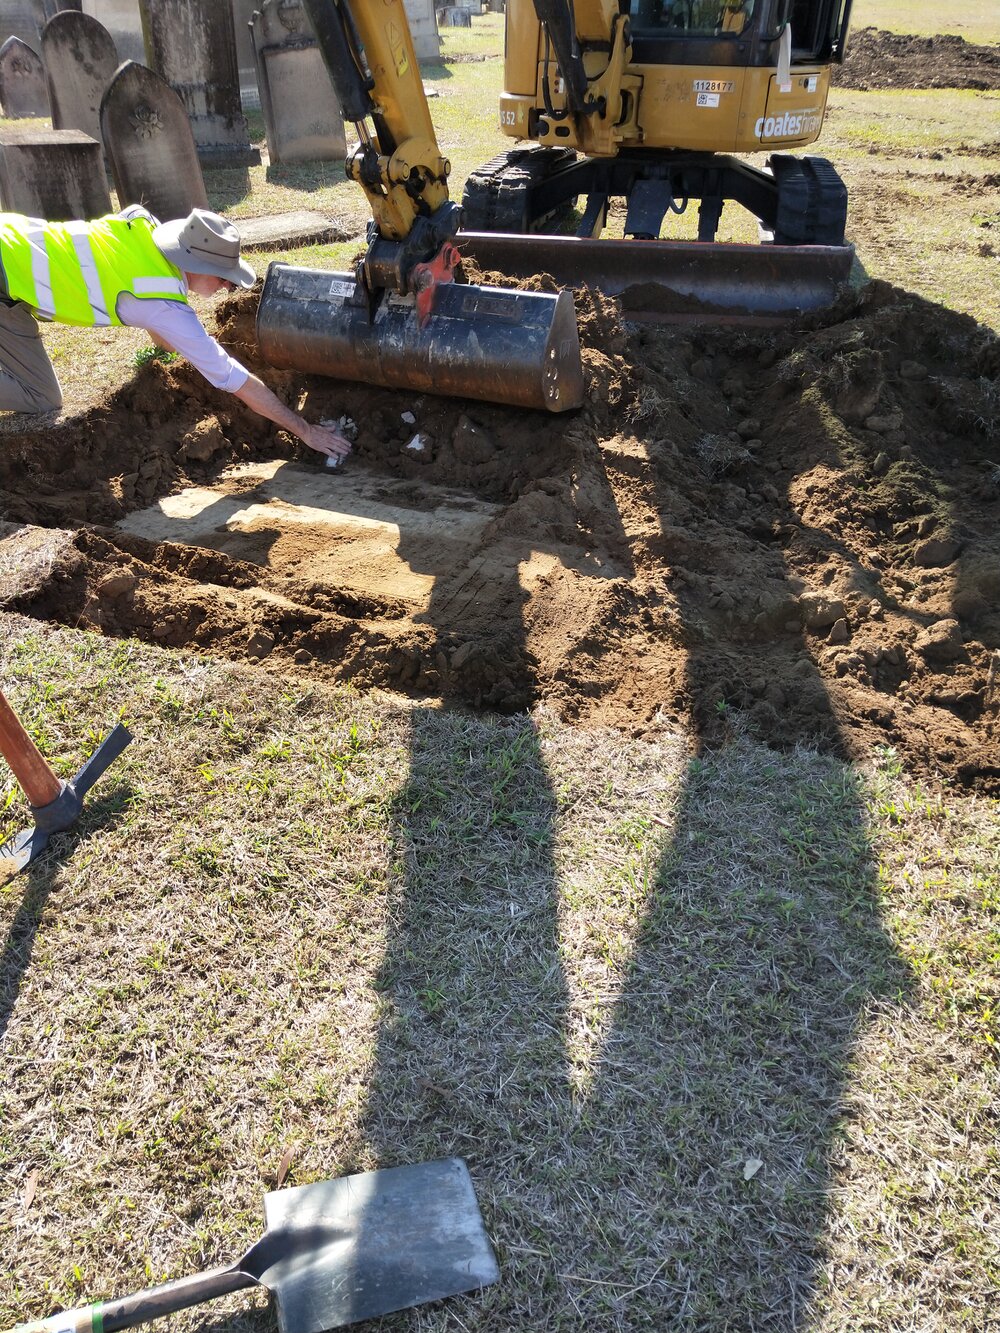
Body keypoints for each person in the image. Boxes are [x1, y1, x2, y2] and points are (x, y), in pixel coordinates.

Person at [0, 205, 352, 463]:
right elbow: (237, 380)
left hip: (13, 248)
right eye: (223, 278)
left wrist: (177, 348)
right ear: (195, 265)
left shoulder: (145, 226)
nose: (227, 287)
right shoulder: (162, 304)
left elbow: (159, 329)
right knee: (41, 398)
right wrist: (306, 431)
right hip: (6, 272)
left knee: (43, 394)